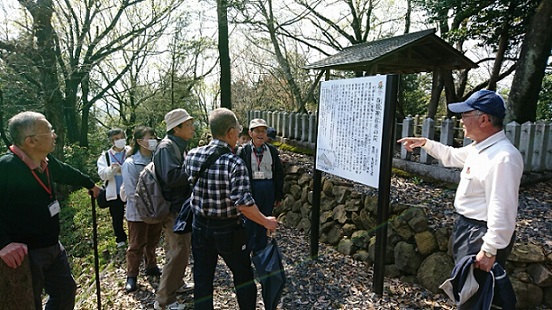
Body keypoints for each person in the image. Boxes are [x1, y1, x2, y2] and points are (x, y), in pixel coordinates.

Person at [397, 90, 523, 309]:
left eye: (465, 115)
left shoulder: (503, 157)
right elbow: (452, 155)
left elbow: (503, 209)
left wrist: (490, 249)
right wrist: (425, 143)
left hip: (480, 234)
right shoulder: (481, 148)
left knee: (475, 296)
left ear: (484, 119)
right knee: (469, 291)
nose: (461, 120)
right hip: (469, 229)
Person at [0, 111, 101, 310]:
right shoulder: (7, 168)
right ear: (31, 141)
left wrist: (90, 185)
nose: (54, 135)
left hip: (53, 246)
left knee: (65, 292)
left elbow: (65, 172)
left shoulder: (45, 161)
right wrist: (3, 244)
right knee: (31, 303)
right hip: (26, 254)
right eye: (49, 131)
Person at [185, 108, 279, 310]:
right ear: (229, 132)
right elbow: (243, 204)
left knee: (202, 279)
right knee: (244, 277)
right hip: (228, 229)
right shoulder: (234, 162)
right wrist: (266, 221)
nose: (239, 134)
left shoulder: (192, 156)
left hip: (199, 226)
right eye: (237, 130)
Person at [153, 108, 195, 310]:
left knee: (180, 249)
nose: (192, 127)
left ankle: (176, 285)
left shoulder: (178, 146)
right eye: (188, 125)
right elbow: (171, 177)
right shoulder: (167, 148)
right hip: (173, 209)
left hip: (180, 207)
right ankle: (164, 300)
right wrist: (194, 169)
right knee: (177, 251)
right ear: (176, 129)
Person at [121, 126, 163, 293]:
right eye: (149, 136)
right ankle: (131, 275)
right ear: (139, 141)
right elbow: (132, 192)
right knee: (136, 244)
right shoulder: (130, 163)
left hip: (157, 208)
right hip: (138, 211)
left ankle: (151, 265)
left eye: (154, 136)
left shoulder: (157, 158)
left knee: (153, 241)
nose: (153, 139)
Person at [238, 119, 284, 253]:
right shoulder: (243, 151)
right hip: (251, 187)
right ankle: (246, 250)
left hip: (268, 187)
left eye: (263, 131)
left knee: (265, 219)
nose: (260, 134)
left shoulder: (272, 151)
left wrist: (278, 194)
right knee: (250, 220)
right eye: (257, 131)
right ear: (250, 133)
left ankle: (261, 252)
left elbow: (279, 173)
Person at [97, 128, 129, 247]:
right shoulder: (105, 156)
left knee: (134, 214)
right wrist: (112, 169)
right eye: (116, 139)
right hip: (115, 191)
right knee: (117, 216)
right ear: (111, 141)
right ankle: (120, 238)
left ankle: (136, 236)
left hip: (130, 189)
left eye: (121, 137)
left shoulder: (130, 151)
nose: (119, 140)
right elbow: (102, 174)